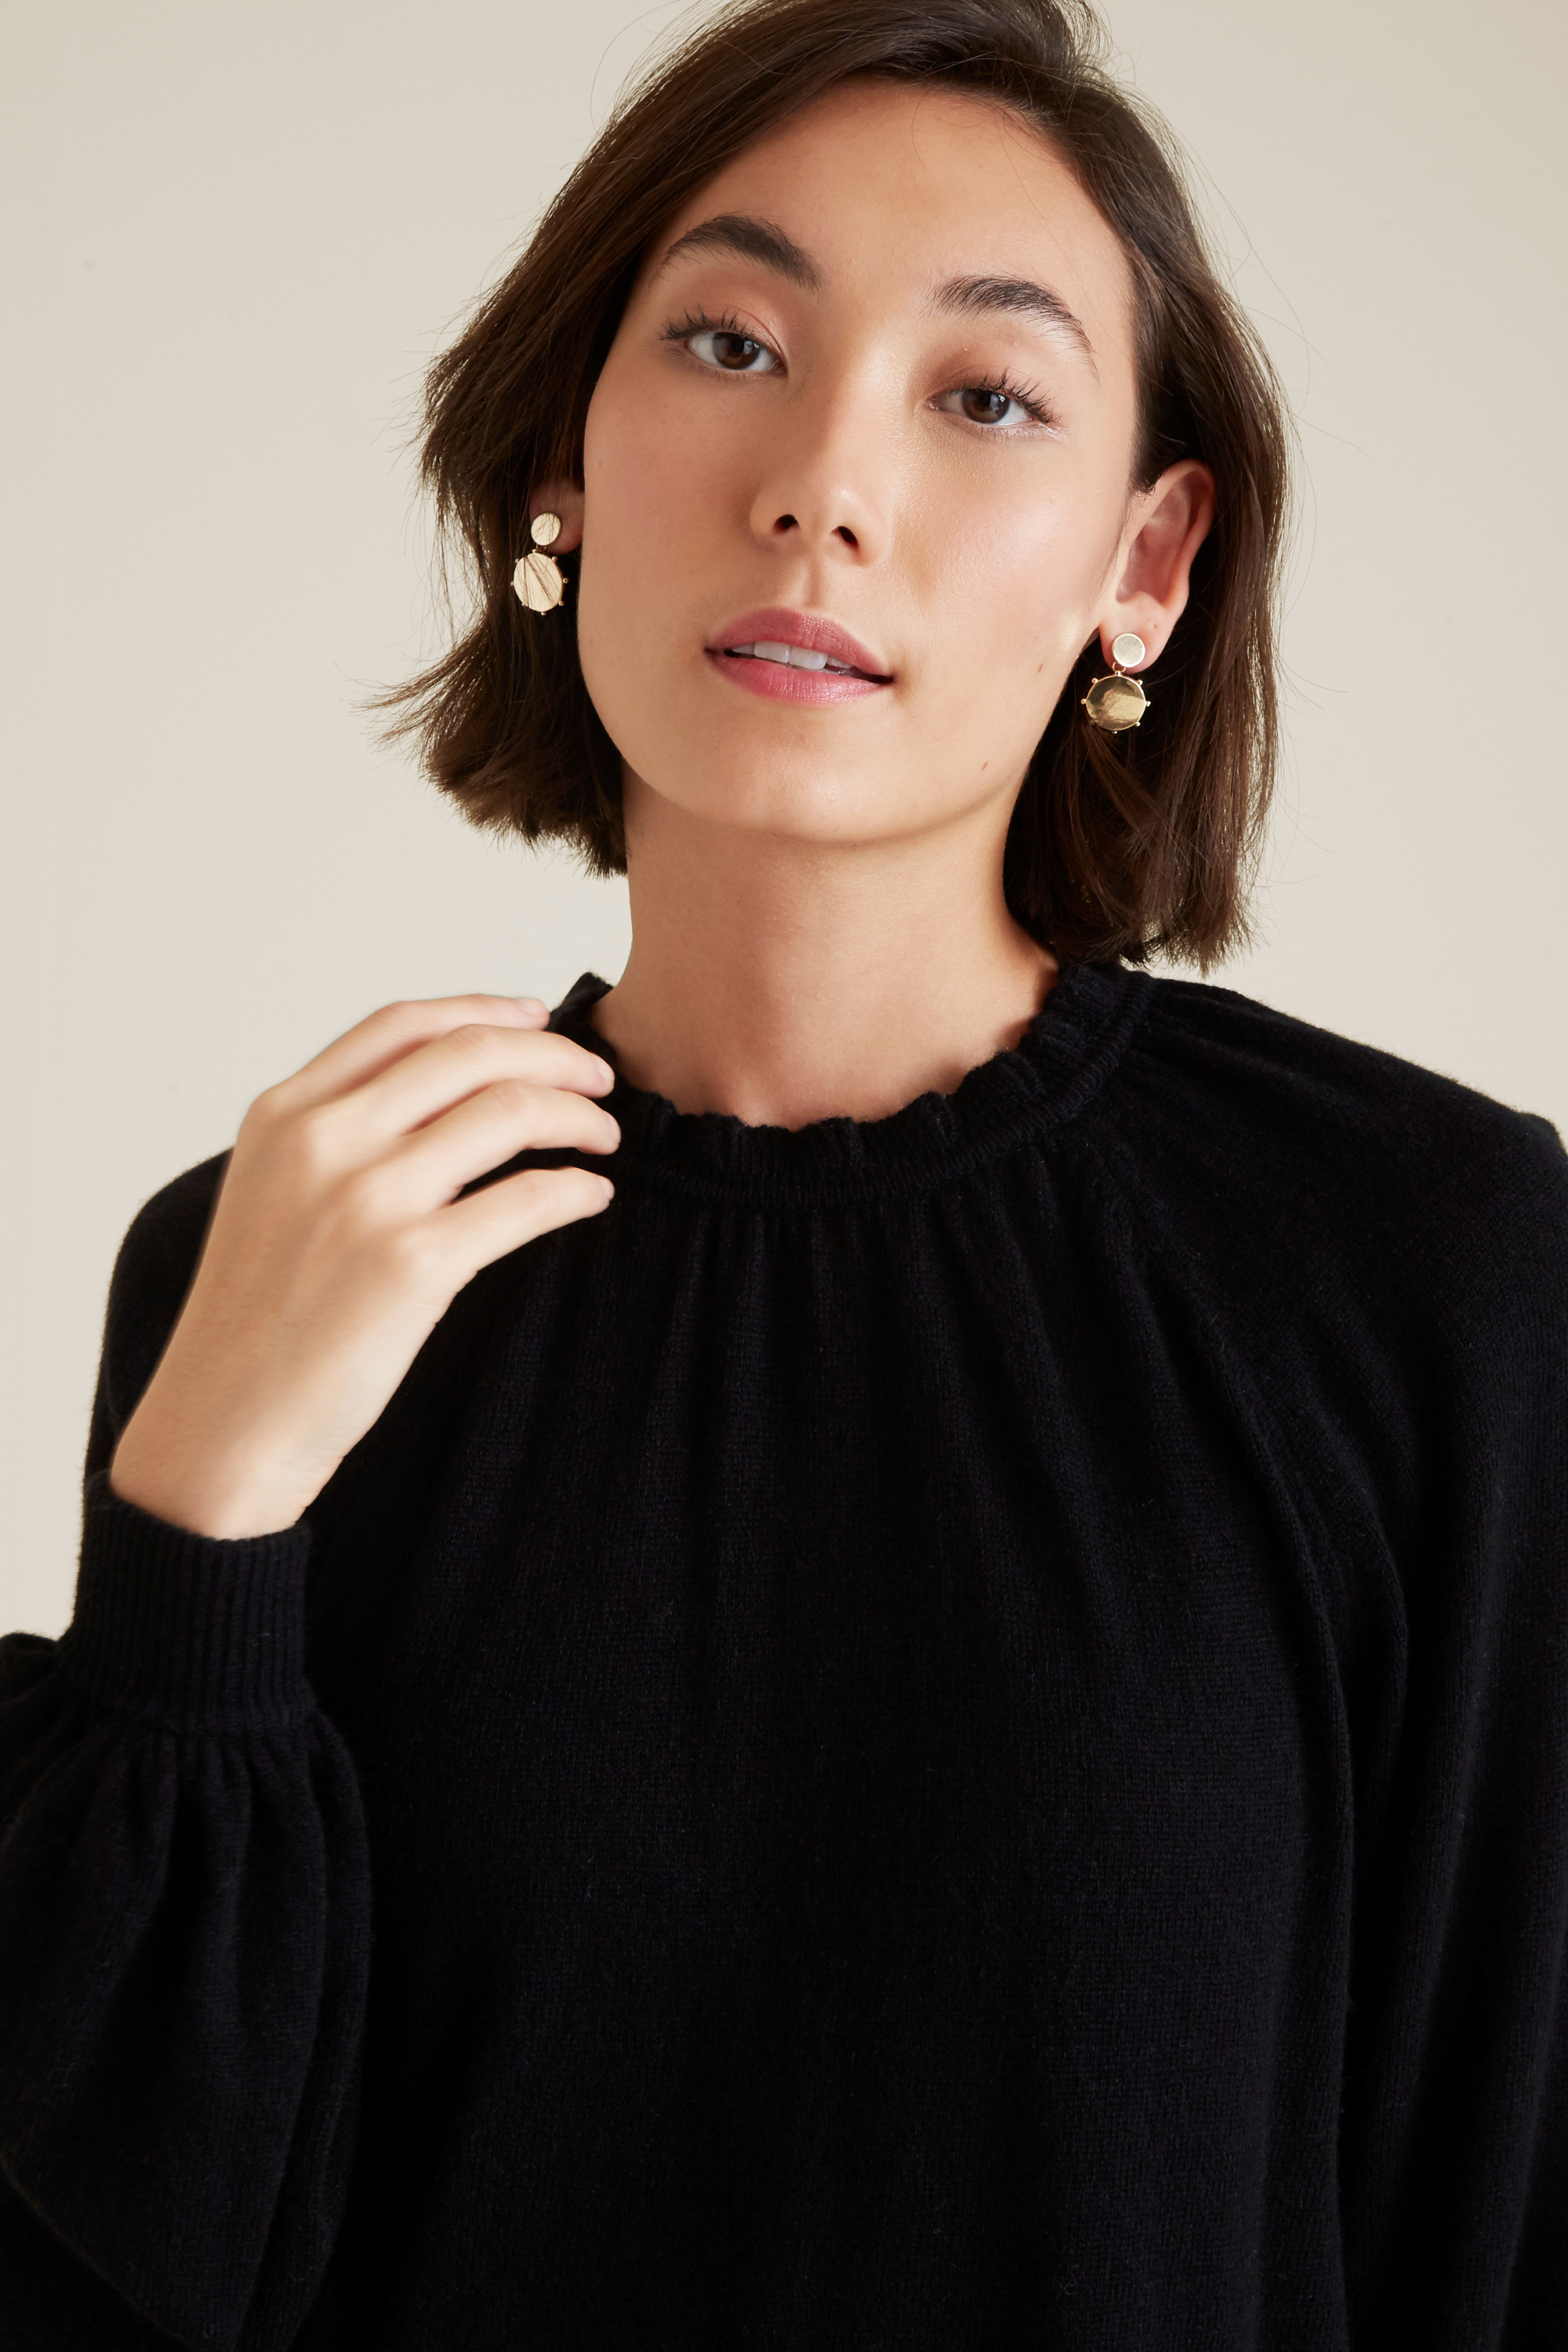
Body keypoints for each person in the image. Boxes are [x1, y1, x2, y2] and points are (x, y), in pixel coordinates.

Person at [2, 0, 1564, 2342]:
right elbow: (132, 2267)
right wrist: (195, 1533)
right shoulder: (284, 1258)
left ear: (1145, 564)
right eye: (732, 343)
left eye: (987, 396)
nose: (825, 482)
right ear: (562, 463)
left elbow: (1506, 2208)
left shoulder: (1428, 1263)